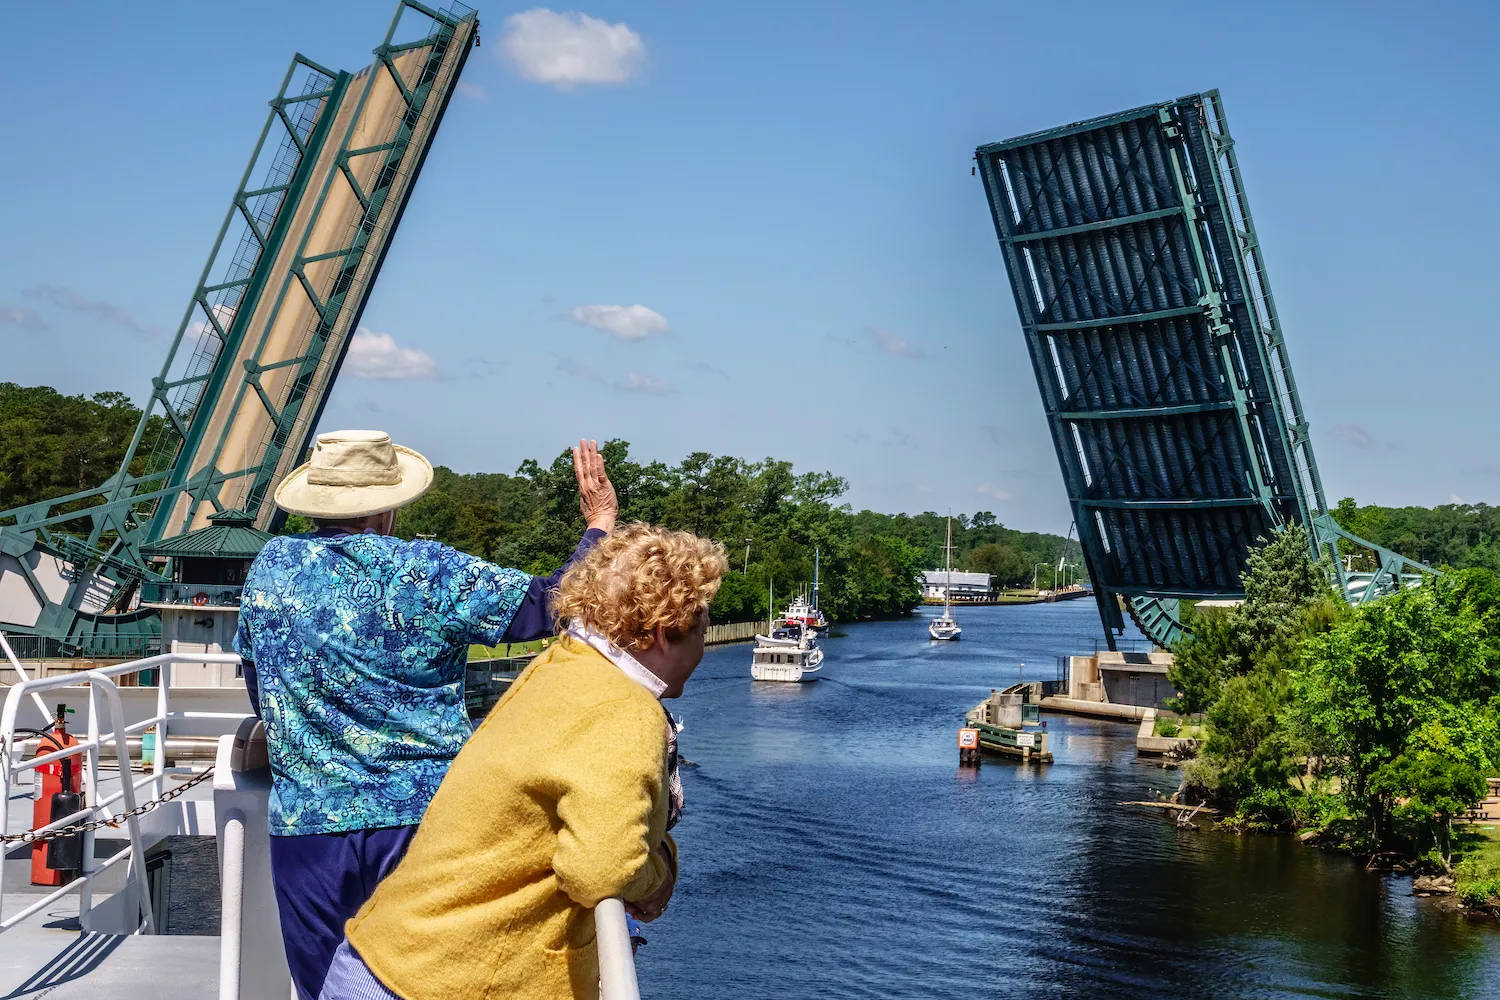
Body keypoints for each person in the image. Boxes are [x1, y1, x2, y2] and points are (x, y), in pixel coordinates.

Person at [233, 429, 619, 1000]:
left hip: (308, 832)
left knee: (326, 992)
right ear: (387, 507)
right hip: (423, 826)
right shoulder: (426, 570)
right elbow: (550, 604)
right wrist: (600, 527)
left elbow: (256, 683)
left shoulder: (271, 567)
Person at [317, 523, 728, 1000]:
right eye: (701, 630)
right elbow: (601, 870)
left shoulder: (561, 666)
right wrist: (658, 875)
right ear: (661, 635)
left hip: (385, 960)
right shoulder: (625, 709)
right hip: (439, 985)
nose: (702, 645)